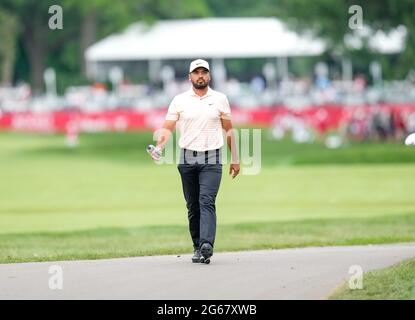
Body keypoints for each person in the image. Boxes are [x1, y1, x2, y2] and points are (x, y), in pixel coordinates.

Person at [148, 59, 240, 263]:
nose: (200, 76)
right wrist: (160, 147)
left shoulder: (219, 99)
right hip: (187, 157)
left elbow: (229, 129)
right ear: (190, 76)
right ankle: (197, 246)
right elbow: (168, 127)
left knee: (206, 201)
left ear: (209, 76)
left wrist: (235, 158)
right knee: (193, 206)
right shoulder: (180, 100)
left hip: (212, 157)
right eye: (196, 72)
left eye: (204, 72)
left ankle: (207, 244)